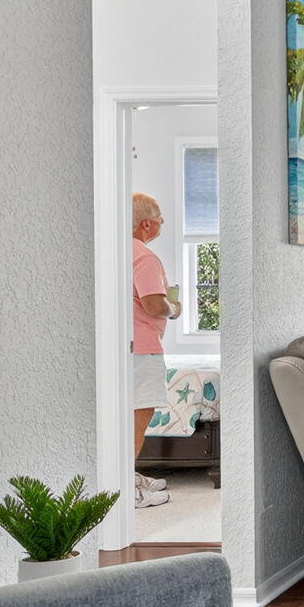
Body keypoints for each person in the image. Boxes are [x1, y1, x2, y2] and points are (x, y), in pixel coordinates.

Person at [131, 192, 183, 509]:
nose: (163, 221)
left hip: (125, 347)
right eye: (161, 216)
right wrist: (174, 308)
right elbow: (153, 303)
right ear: (147, 224)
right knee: (139, 416)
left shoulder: (119, 251)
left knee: (125, 417)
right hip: (142, 347)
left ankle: (124, 475)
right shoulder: (146, 258)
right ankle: (125, 490)